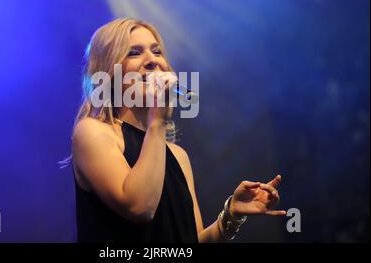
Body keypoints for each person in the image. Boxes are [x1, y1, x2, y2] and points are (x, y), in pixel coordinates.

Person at [71, 17, 286, 242]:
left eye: (157, 52)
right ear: (109, 72)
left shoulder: (177, 155)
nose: (152, 61)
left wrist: (230, 215)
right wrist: (157, 121)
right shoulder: (93, 133)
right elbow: (139, 207)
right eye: (134, 53)